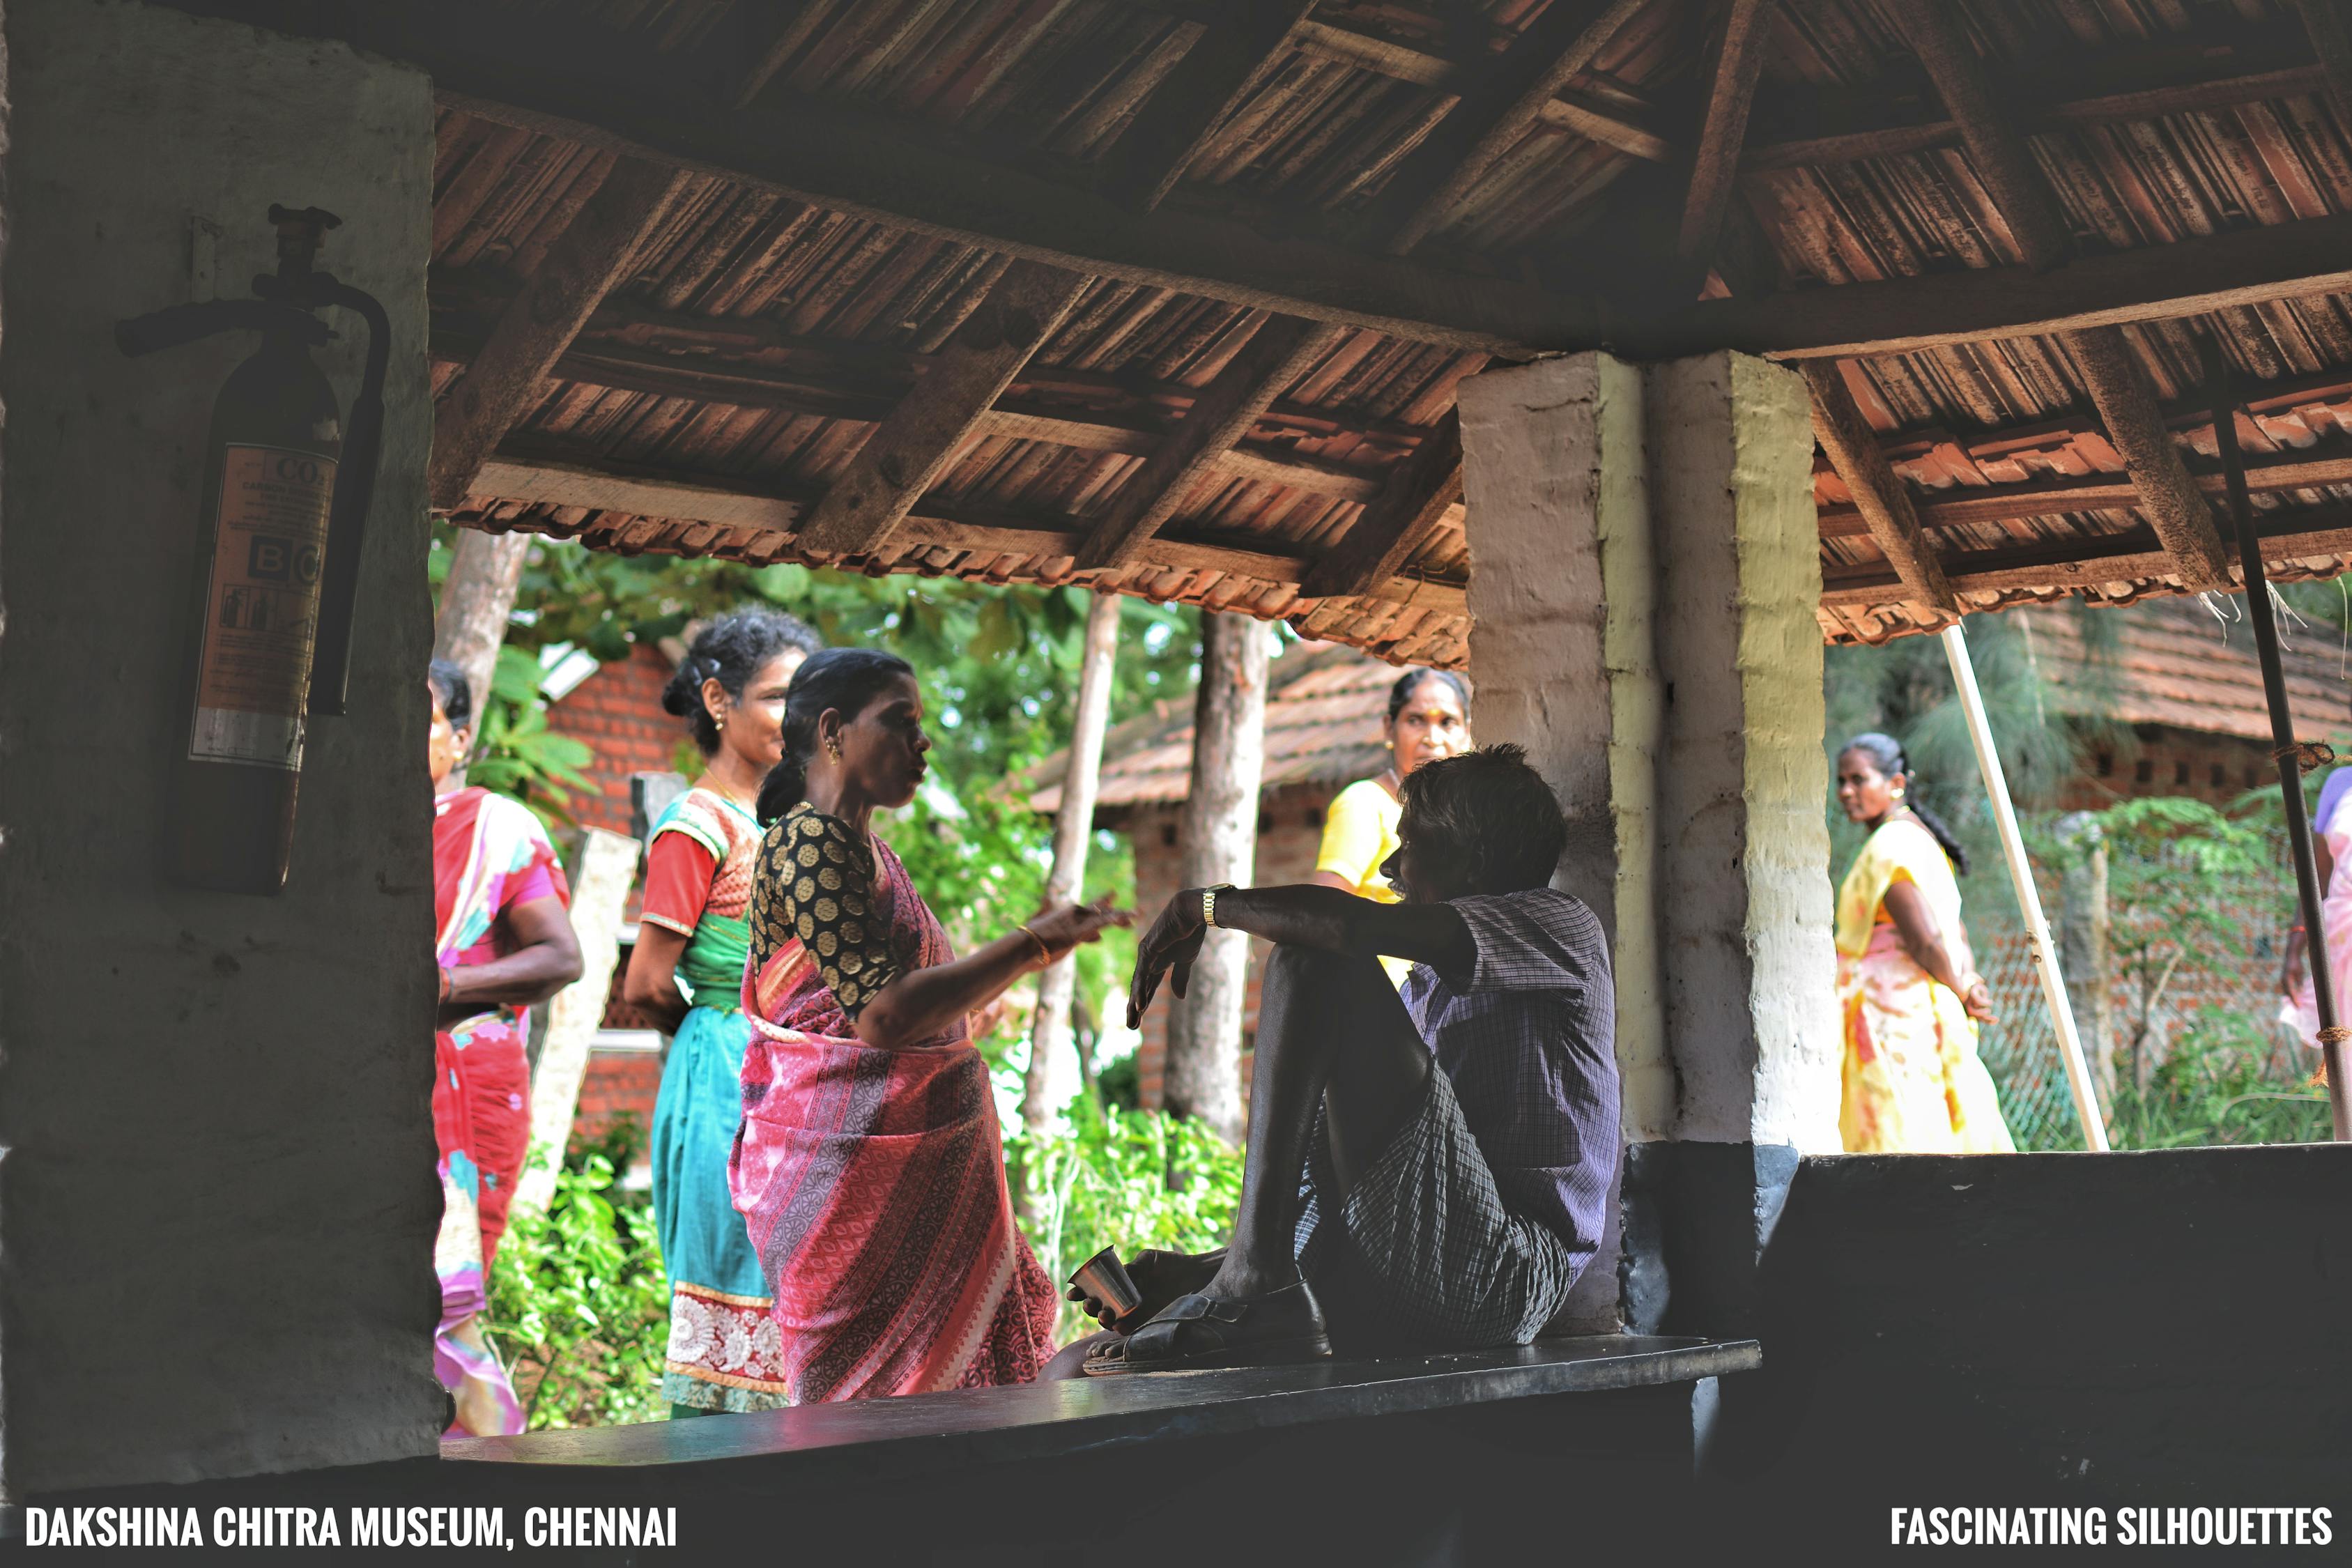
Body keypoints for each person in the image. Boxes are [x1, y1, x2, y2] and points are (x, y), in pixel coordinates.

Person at [1062, 744, 1615, 1374]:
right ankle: (1247, 1268)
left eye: (1410, 845)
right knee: (1076, 1368)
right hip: (1407, 1272)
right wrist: (1200, 1269)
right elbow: (1375, 1187)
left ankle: (1255, 1280)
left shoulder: (1564, 929)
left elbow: (1344, 931)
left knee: (1315, 960)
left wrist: (1201, 906)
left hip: (1502, 1276)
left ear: (1473, 858)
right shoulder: (1424, 993)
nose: (1390, 868)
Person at [730, 648, 1132, 1401]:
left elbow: (904, 1014)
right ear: (833, 731)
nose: (924, 744)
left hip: (912, 1177)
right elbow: (884, 1018)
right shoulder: (807, 839)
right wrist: (1035, 942)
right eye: (901, 722)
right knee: (867, 1420)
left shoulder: (867, 851)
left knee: (917, 1420)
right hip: (850, 1181)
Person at [623, 608, 823, 1417]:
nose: (799, 719)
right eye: (779, 698)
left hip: (785, 1077)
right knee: (728, 1293)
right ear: (718, 700)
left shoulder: (781, 823)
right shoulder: (696, 827)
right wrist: (713, 1033)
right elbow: (643, 983)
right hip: (724, 1081)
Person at [429, 660, 584, 1435]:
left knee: (441, 1300)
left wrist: (440, 985)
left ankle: (483, 1469)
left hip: (463, 1085)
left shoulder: (499, 828)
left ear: (460, 739)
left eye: (420, 717)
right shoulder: (342, 823)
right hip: (359, 1086)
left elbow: (561, 958)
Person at [1831, 733, 2015, 1155]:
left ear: (1895, 782)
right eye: (1842, 781)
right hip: (1922, 1004)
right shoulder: (1917, 837)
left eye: (1859, 780)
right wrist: (1965, 981)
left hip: (1890, 1014)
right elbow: (1955, 931)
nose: (1846, 792)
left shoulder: (1891, 845)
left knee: (1895, 1137)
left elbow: (1926, 938)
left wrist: (1961, 987)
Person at [1309, 668, 1470, 985]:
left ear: (1467, 732)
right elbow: (1319, 911)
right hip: (1382, 1006)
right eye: (1416, 720)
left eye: (1447, 722)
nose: (1432, 738)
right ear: (1389, 728)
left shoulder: (1467, 816)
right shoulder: (1364, 803)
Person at [2279, 766, 2352, 1052]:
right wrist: (2295, 947)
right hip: (2342, 940)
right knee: (2345, 1049)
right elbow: (2317, 878)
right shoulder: (2341, 783)